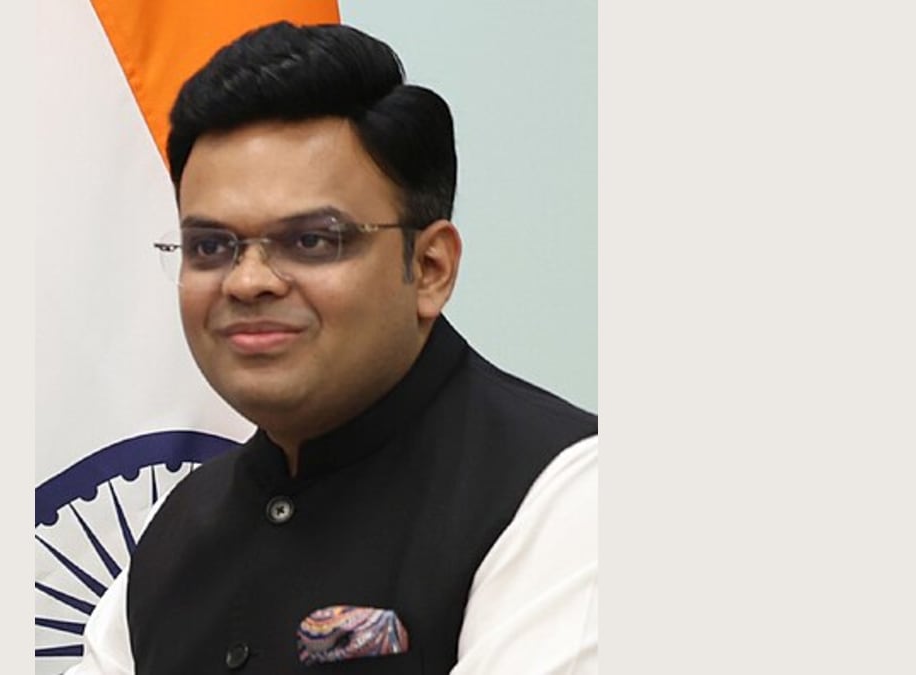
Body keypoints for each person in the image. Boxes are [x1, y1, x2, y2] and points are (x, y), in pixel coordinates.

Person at [69, 21, 598, 675]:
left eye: (312, 241)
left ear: (429, 268)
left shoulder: (564, 496)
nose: (248, 281)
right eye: (210, 246)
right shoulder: (173, 532)